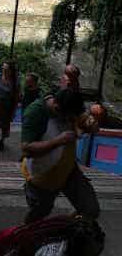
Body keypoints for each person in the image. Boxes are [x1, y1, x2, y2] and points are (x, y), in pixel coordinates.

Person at [21, 88, 100, 224]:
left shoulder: (69, 105)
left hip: (69, 171)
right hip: (42, 176)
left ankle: (63, 227)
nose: (71, 121)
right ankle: (22, 237)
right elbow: (27, 150)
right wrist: (57, 141)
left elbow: (84, 121)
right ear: (57, 108)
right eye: (68, 117)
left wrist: (90, 125)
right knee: (37, 217)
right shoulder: (35, 113)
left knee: (90, 209)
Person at [0, 60, 20, 151]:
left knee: (4, 126)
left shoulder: (15, 82)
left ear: (11, 70)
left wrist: (13, 112)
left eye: (5, 68)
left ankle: (1, 140)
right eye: (3, 67)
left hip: (7, 107)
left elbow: (16, 99)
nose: (3, 69)